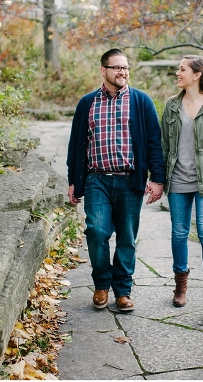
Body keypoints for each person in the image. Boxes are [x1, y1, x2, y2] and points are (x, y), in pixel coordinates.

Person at [67, 48, 165, 313]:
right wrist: (73, 180)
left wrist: (157, 178)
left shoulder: (141, 101)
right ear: (104, 70)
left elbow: (154, 143)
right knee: (96, 231)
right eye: (117, 67)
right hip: (96, 179)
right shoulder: (87, 103)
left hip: (129, 180)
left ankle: (122, 291)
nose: (122, 72)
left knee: (126, 238)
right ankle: (101, 285)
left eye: (125, 67)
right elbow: (76, 145)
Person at [160, 55, 203, 319]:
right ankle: (180, 286)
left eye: (182, 69)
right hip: (178, 179)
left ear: (197, 74)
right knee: (179, 233)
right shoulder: (171, 105)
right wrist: (158, 179)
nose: (177, 73)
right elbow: (164, 145)